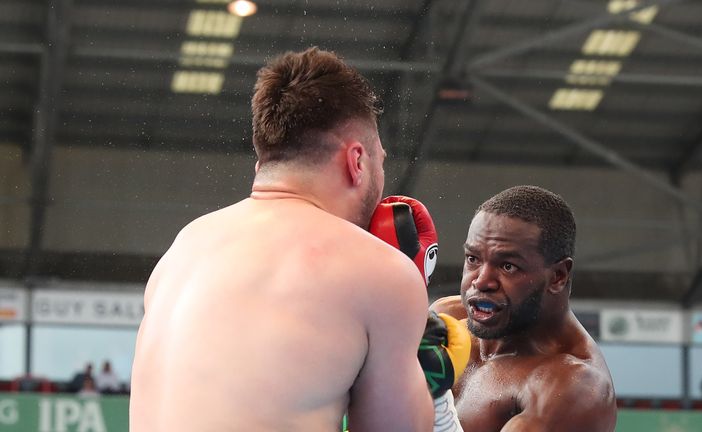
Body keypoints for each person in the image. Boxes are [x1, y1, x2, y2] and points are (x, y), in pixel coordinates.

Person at [130, 47, 448, 432]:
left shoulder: (185, 246)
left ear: (262, 165)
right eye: (381, 160)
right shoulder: (380, 271)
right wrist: (427, 372)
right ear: (357, 161)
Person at [431, 185, 617, 431]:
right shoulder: (447, 317)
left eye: (508, 266)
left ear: (558, 276)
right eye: (473, 259)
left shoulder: (573, 389)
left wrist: (436, 401)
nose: (481, 281)